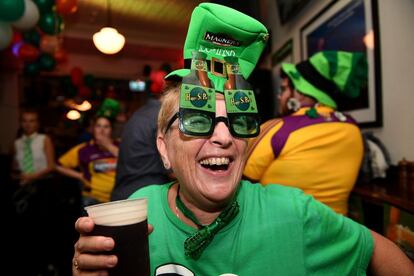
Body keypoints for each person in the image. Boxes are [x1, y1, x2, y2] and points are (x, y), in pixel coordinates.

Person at [71, 3, 414, 275]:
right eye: (198, 119)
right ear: (163, 149)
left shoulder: (293, 211)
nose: (223, 135)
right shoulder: (140, 211)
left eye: (239, 121)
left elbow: (378, 252)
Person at [244, 50, 366, 215]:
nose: (280, 97)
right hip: (338, 233)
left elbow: (241, 182)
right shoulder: (353, 127)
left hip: (282, 231)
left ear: (300, 93)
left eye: (284, 89)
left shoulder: (278, 128)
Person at [111, 65, 171, 200]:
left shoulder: (141, 112)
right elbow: (173, 170)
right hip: (143, 198)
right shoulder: (160, 116)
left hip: (125, 194)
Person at [56, 112, 119, 207]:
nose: (102, 130)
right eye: (98, 126)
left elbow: (131, 163)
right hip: (93, 199)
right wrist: (80, 175)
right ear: (93, 129)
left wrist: (108, 146)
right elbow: (58, 165)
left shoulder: (120, 146)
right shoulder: (84, 149)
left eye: (106, 127)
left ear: (111, 130)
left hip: (118, 198)